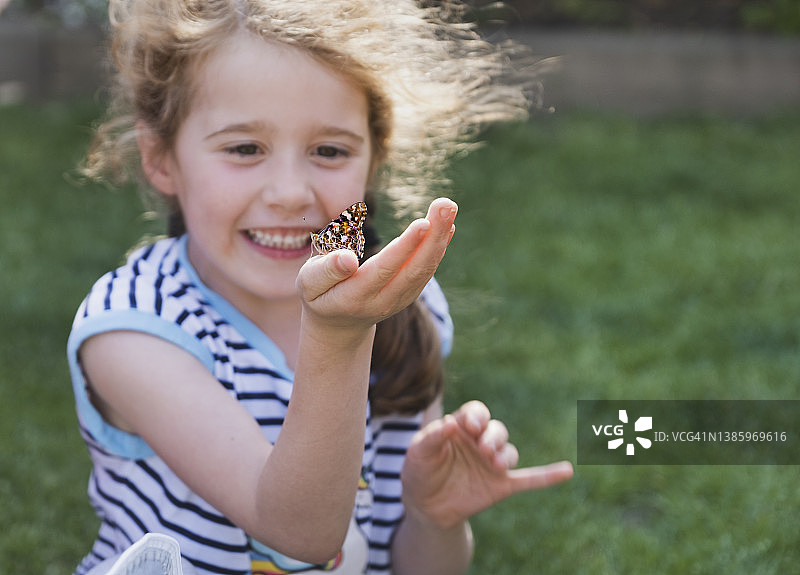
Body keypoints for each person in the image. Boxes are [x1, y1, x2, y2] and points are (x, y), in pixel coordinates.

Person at [68, 1, 574, 574]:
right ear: (161, 159)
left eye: (329, 151)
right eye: (244, 148)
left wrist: (433, 517)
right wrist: (339, 335)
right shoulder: (134, 327)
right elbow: (299, 533)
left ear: (372, 160)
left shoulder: (404, 306)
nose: (290, 193)